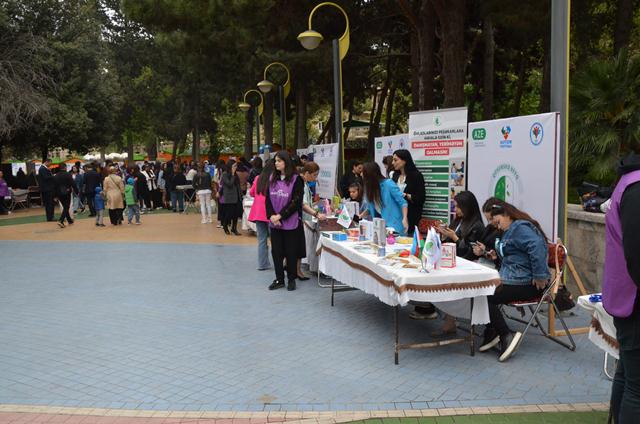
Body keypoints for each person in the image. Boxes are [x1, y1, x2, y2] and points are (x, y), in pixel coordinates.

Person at [479, 202, 550, 362]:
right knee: (482, 292)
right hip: (516, 279)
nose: (493, 224)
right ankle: (492, 332)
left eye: (495, 220)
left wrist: (539, 275)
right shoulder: (511, 229)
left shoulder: (519, 227)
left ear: (507, 214)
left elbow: (536, 245)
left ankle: (505, 334)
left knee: (485, 296)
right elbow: (516, 255)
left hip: (530, 284)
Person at [603, 153, 640, 423]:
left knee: (627, 374)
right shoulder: (636, 188)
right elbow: (636, 253)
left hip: (627, 296)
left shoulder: (629, 182)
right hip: (634, 299)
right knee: (636, 387)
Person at [430, 191, 485, 336]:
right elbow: (449, 245)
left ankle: (449, 321)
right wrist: (443, 234)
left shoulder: (477, 226)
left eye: (458, 207)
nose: (456, 210)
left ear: (467, 207)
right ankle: (448, 320)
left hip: (467, 264)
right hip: (453, 261)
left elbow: (469, 252)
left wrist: (453, 236)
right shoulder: (459, 221)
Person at [266, 151, 304, 291]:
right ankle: (279, 279)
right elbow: (267, 199)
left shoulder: (296, 179)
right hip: (274, 222)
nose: (276, 163)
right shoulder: (272, 179)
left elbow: (296, 202)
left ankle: (291, 279)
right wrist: (271, 216)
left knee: (291, 251)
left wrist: (280, 216)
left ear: (286, 162)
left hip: (290, 222)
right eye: (275, 161)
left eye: (279, 161)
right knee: (276, 252)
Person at [361, 162, 408, 236]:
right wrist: (360, 216)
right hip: (379, 227)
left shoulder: (388, 184)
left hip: (394, 226)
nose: (361, 174)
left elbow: (403, 202)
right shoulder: (369, 188)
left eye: (363, 172)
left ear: (369, 174)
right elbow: (370, 208)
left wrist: (404, 219)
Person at [300, 161, 327, 278]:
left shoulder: (305, 184)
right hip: (304, 219)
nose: (316, 178)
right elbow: (303, 204)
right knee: (305, 245)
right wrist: (316, 213)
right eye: (314, 175)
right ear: (307, 173)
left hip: (306, 219)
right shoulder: (302, 184)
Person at [391, 150, 425, 235]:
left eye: (395, 160)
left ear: (404, 160)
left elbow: (421, 198)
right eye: (393, 160)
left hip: (411, 215)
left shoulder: (416, 176)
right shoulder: (394, 176)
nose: (392, 163)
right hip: (395, 215)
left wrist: (406, 195)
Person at [248, 160, 274, 271]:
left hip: (258, 213)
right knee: (275, 240)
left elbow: (251, 193)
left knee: (262, 240)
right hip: (271, 213)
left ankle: (262, 264)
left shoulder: (258, 178)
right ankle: (279, 263)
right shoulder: (274, 179)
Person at [220, 159, 242, 235]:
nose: (235, 167)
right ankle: (225, 225)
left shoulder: (236, 174)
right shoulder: (224, 174)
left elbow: (238, 186)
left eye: (236, 166)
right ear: (230, 166)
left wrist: (241, 195)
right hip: (229, 197)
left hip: (237, 197)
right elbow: (229, 184)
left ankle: (234, 228)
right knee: (229, 213)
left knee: (236, 214)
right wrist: (232, 174)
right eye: (234, 166)